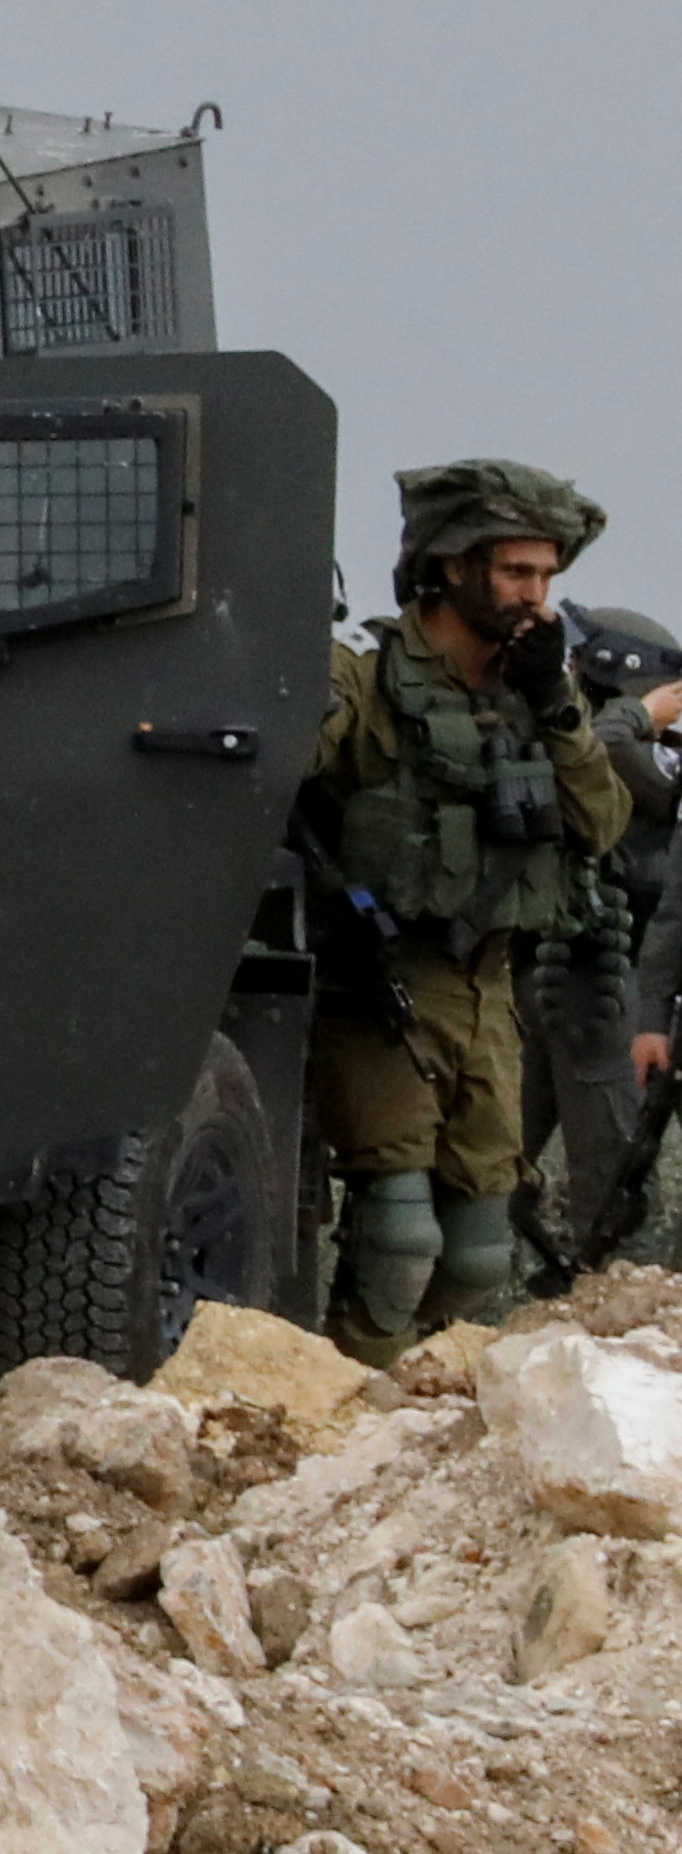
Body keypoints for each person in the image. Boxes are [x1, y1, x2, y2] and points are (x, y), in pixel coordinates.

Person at [306, 461, 636, 1354]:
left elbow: (601, 820)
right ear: (454, 566)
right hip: (386, 987)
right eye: (517, 573)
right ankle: (342, 1400)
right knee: (400, 1236)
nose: (538, 597)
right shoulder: (372, 680)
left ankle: (408, 1405)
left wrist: (556, 705)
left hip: (492, 990)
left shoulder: (537, 692)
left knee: (482, 1254)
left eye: (546, 576)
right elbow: (301, 754)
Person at [521, 604, 682, 1275]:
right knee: (496, 1161)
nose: (568, 672)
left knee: (608, 1177)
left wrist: (642, 714)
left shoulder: (647, 757)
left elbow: (609, 747)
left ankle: (608, 1314)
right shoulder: (567, 740)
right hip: (560, 977)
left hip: (610, 987)